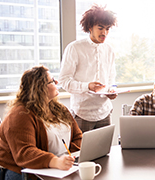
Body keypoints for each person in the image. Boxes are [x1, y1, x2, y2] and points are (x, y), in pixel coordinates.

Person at [0, 66, 82, 180]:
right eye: (52, 80)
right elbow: (25, 153)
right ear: (40, 88)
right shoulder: (20, 114)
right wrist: (55, 161)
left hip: (54, 168)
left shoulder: (58, 108)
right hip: (19, 169)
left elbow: (78, 136)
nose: (57, 82)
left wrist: (68, 159)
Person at [59, 3, 118, 132]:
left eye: (107, 29)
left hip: (104, 112)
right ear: (90, 27)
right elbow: (64, 81)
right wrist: (88, 86)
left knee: (104, 151)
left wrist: (111, 90)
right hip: (82, 114)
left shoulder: (109, 49)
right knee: (81, 152)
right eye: (100, 28)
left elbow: (111, 78)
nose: (104, 33)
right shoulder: (74, 48)